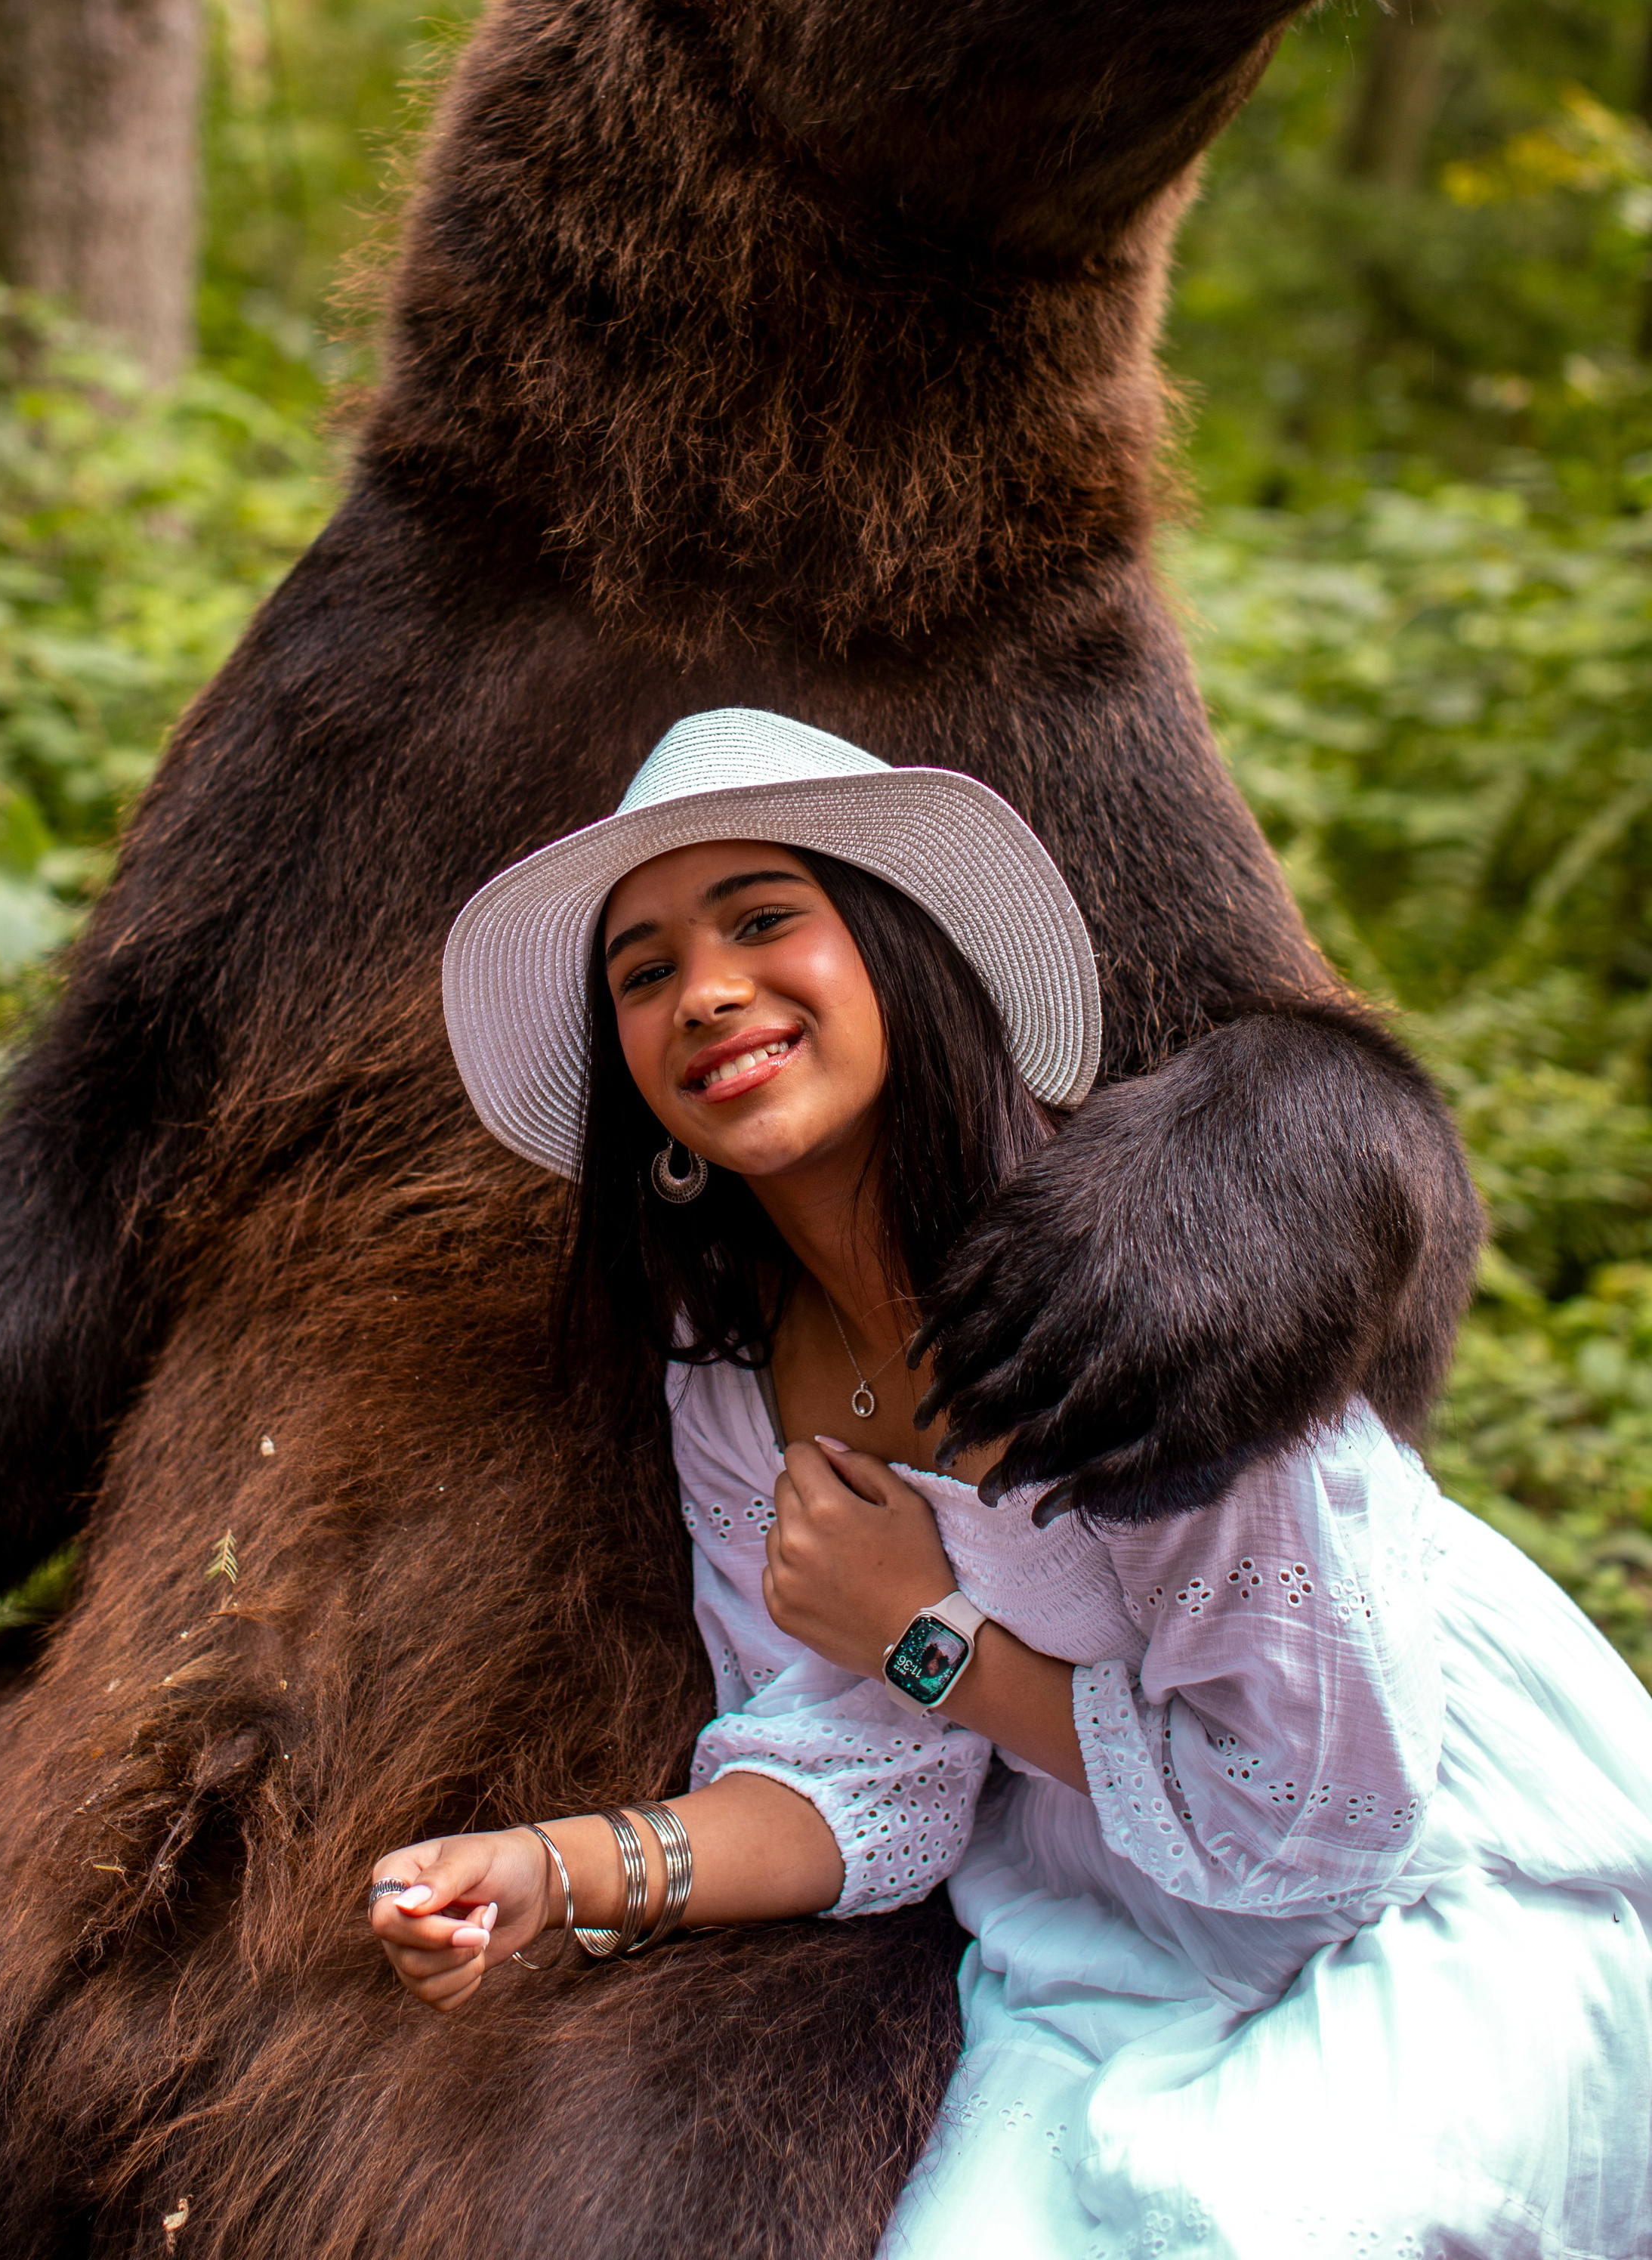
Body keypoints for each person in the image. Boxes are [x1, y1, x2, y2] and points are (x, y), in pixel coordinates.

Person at [369, 707, 1652, 2255]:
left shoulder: (1134, 1276)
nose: (705, 990)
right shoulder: (729, 1379)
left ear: (898, 956)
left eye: (765, 919)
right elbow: (863, 1791)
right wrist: (547, 1872)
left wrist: (928, 1640)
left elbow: (1319, 1829)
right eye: (643, 973)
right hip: (1101, 1952)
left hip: (1419, 1899)